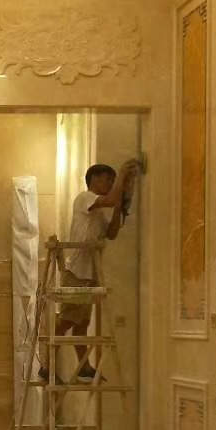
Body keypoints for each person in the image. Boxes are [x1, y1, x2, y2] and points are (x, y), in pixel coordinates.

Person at [48, 161, 138, 382]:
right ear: (94, 179)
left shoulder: (97, 214)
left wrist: (119, 207)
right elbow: (109, 199)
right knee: (67, 320)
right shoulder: (84, 198)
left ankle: (84, 366)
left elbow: (112, 233)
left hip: (89, 273)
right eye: (108, 180)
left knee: (81, 323)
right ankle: (46, 365)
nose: (110, 185)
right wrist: (123, 175)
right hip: (77, 271)